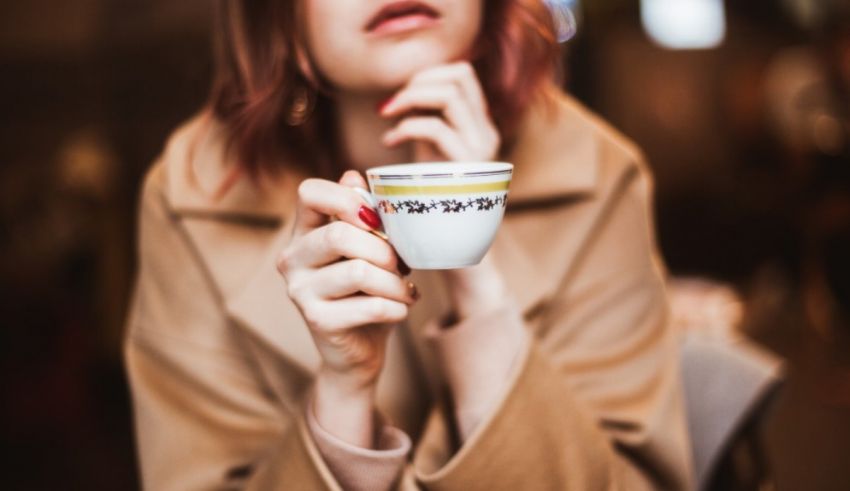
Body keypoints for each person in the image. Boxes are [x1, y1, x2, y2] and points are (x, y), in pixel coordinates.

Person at [124, 0, 693, 489]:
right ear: (280, 15)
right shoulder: (189, 197)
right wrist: (342, 398)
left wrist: (476, 276)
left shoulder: (599, 176)